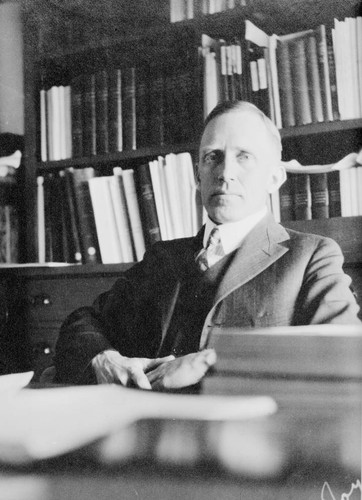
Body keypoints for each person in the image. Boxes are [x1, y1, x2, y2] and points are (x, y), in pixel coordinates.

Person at [54, 100, 361, 389]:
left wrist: (205, 364)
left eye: (244, 157)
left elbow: (343, 356)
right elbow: (83, 321)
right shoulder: (164, 257)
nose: (225, 173)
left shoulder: (310, 256)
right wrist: (103, 359)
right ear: (197, 176)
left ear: (275, 177)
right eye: (212, 157)